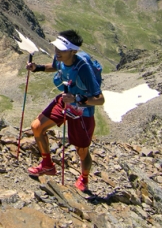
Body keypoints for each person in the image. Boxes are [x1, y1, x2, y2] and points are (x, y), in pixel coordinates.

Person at [25, 29, 105, 192]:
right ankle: (47, 165)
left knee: (82, 150)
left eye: (62, 49)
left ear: (73, 51)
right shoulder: (59, 57)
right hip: (66, 99)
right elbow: (54, 67)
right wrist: (37, 68)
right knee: (37, 127)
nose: (57, 52)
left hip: (82, 110)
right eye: (57, 48)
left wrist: (77, 99)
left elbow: (100, 99)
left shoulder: (83, 69)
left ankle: (84, 178)